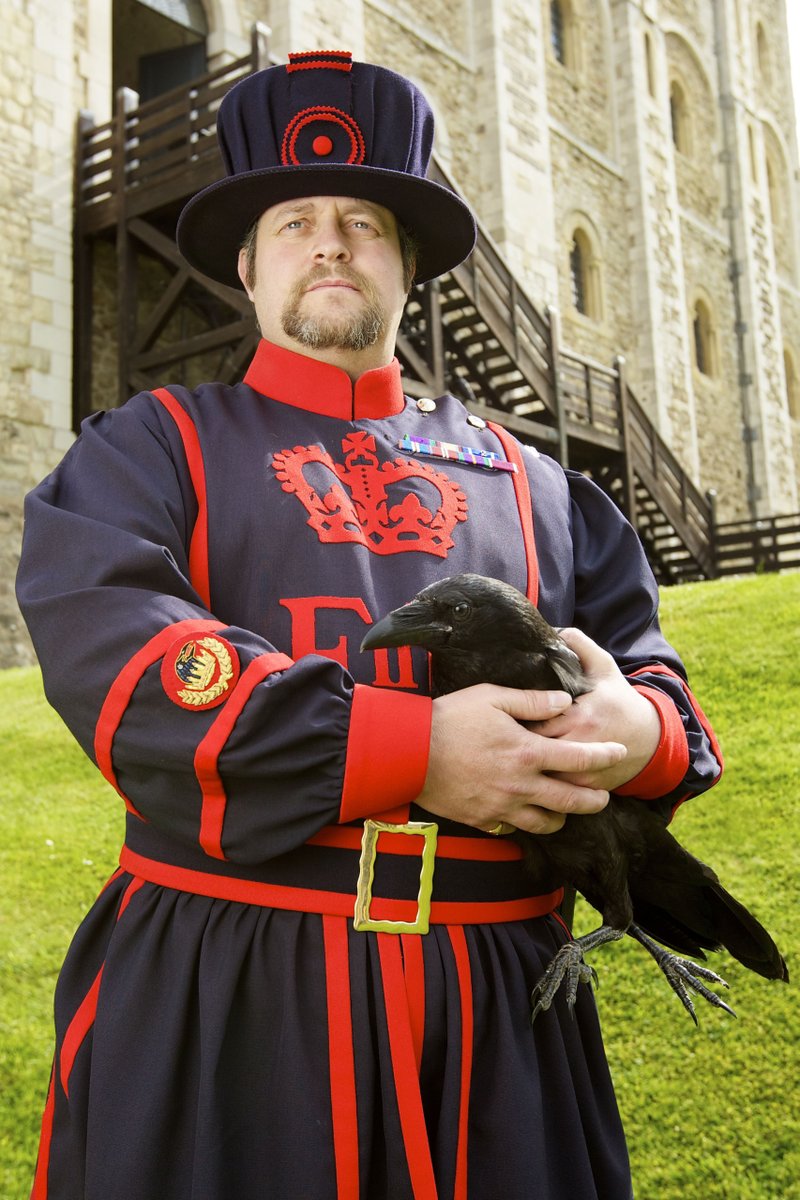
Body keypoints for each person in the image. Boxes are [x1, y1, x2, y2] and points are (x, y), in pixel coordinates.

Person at [17, 50, 722, 1200]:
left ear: (410, 265)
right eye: (293, 221)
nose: (331, 242)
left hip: (503, 1001)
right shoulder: (147, 450)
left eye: (364, 220)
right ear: (247, 268)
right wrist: (417, 752)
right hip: (228, 986)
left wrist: (630, 733)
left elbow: (654, 680)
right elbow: (132, 666)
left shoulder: (539, 484)